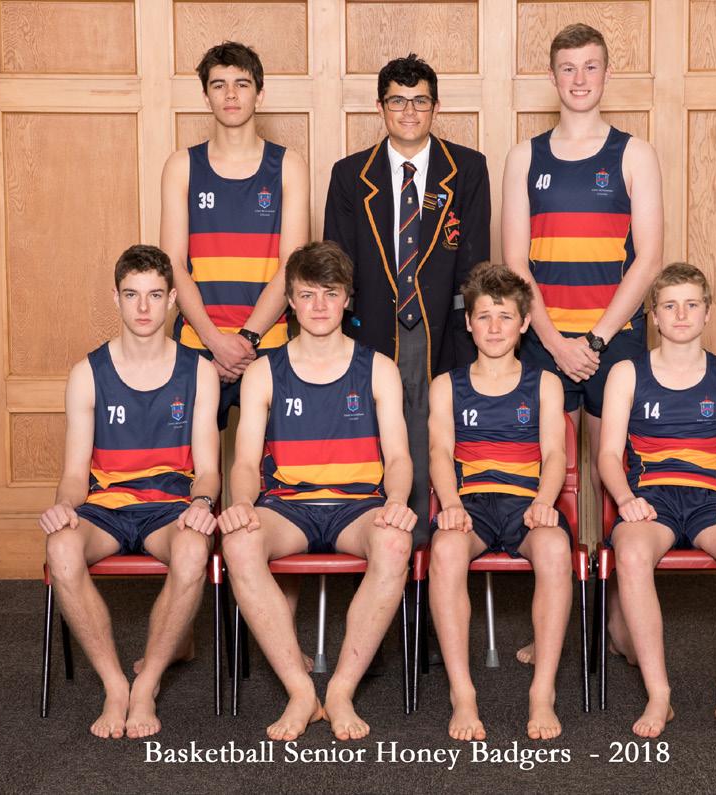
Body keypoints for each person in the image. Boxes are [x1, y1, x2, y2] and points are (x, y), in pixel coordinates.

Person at [219, 241, 417, 742]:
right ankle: (301, 691)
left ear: (348, 298)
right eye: (307, 295)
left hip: (358, 506)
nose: (320, 306)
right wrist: (241, 503)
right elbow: (245, 463)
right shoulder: (264, 372)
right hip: (289, 506)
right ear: (290, 301)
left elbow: (398, 458)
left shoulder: (378, 368)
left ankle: (342, 690)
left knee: (395, 542)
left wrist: (396, 500)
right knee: (238, 542)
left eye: (330, 293)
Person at [39, 245, 220, 740]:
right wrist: (64, 507)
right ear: (115, 299)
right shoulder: (87, 374)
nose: (143, 307)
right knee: (61, 547)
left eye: (155, 295)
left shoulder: (199, 371)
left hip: (170, 508)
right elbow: (74, 474)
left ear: (172, 300)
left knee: (193, 550)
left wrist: (202, 504)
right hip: (107, 507)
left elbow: (208, 471)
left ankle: (147, 684)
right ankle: (116, 685)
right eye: (132, 294)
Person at [324, 53, 491, 543]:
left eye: (420, 101)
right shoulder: (350, 174)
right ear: (380, 108)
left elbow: (475, 262)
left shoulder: (467, 169)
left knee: (431, 433)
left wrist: (470, 333)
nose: (410, 111)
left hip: (441, 328)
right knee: (373, 431)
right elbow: (338, 262)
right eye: (398, 101)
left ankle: (428, 551)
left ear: (436, 107)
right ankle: (379, 542)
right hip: (373, 326)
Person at [502, 22, 663, 524]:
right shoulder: (524, 157)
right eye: (568, 68)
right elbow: (515, 263)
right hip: (546, 338)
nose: (579, 79)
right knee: (556, 471)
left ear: (607, 74)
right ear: (552, 77)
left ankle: (612, 570)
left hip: (614, 338)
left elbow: (649, 259)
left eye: (590, 67)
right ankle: (564, 565)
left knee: (611, 473)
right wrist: (555, 343)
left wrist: (594, 341)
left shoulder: (635, 154)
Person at [598, 262, 716, 740]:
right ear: (654, 315)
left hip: (713, 500)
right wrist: (625, 498)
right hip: (650, 498)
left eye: (691, 304)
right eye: (669, 305)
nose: (680, 314)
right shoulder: (626, 373)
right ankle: (659, 694)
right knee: (632, 552)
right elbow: (607, 455)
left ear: (707, 312)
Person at [427, 262, 571, 741]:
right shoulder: (446, 385)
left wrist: (545, 501)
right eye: (484, 316)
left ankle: (542, 691)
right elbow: (439, 452)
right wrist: (450, 503)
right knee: (446, 550)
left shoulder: (544, 383)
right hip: (470, 504)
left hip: (526, 502)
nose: (494, 327)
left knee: (554, 547)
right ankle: (462, 693)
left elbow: (555, 453)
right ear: (468, 323)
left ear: (525, 323)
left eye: (505, 316)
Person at [160, 40, 309, 430]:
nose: (230, 94)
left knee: (269, 462)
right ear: (205, 96)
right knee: (197, 461)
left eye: (242, 84)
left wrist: (246, 339)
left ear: (259, 95)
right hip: (198, 344)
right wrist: (215, 341)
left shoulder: (289, 166)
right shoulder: (181, 166)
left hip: (267, 342)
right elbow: (173, 265)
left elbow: (292, 266)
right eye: (218, 84)